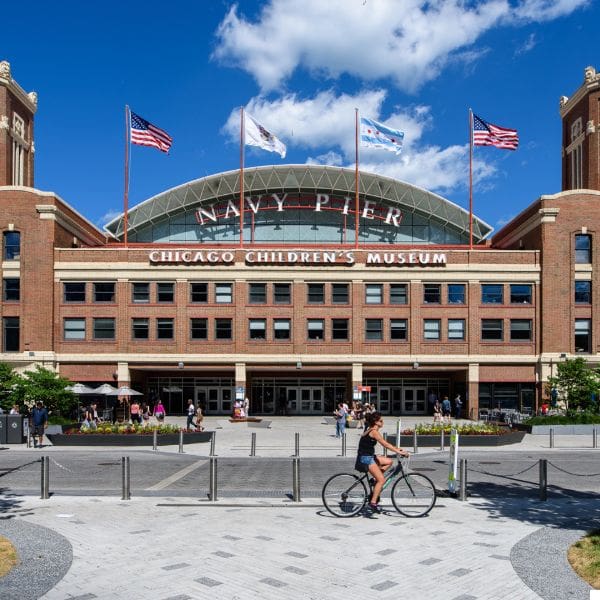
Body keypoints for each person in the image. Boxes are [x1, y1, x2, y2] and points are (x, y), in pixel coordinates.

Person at [357, 411, 410, 513]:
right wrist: (399, 452)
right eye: (381, 420)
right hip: (366, 458)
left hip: (369, 456)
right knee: (381, 480)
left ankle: (374, 480)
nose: (383, 422)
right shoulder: (374, 432)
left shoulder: (371, 429)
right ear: (376, 422)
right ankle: (373, 503)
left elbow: (387, 444)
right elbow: (385, 444)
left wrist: (398, 449)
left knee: (389, 462)